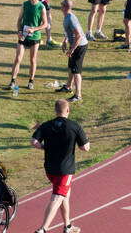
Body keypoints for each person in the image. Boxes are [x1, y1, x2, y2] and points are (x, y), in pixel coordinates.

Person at [31, 99, 89, 233]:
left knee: (65, 195)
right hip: (65, 170)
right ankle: (43, 229)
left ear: (55, 111)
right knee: (57, 197)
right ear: (68, 110)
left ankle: (67, 226)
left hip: (50, 168)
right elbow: (85, 148)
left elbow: (33, 141)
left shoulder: (46, 125)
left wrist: (44, 147)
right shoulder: (74, 126)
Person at [9, 0, 50, 91]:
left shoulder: (41, 7)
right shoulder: (25, 4)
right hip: (23, 35)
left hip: (35, 37)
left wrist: (35, 29)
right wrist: (19, 31)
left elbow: (45, 24)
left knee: (32, 60)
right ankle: (12, 81)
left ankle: (31, 81)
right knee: (18, 58)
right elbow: (19, 20)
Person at [59, 0, 88, 103]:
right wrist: (65, 41)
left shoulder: (71, 18)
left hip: (80, 46)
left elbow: (79, 36)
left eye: (61, 5)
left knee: (76, 71)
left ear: (66, 7)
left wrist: (72, 49)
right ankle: (68, 87)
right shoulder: (67, 16)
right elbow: (69, 32)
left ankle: (78, 95)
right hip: (74, 45)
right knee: (71, 67)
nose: (60, 7)